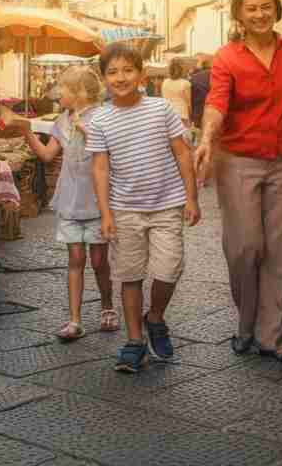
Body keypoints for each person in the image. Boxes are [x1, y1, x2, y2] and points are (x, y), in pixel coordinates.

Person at [193, 0, 282, 364]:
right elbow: (216, 102)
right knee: (245, 246)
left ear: (277, 9)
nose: (260, 14)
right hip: (239, 159)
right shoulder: (228, 57)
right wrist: (207, 138)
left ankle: (272, 336)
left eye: (266, 6)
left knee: (280, 249)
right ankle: (246, 323)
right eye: (251, 8)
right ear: (239, 14)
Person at [87, 43, 200, 373]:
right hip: (125, 210)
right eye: (112, 72)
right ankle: (135, 341)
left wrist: (191, 197)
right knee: (130, 275)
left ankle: (155, 317)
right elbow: (100, 168)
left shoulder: (161, 109)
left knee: (169, 269)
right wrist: (106, 214)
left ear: (141, 74)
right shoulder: (100, 119)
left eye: (128, 70)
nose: (120, 77)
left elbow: (182, 153)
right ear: (103, 78)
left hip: (167, 205)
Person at [22, 66, 117, 341]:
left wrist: (87, 132)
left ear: (80, 92)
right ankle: (74, 320)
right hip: (70, 199)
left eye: (62, 89)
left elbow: (112, 153)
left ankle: (107, 305)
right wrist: (27, 132)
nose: (57, 94)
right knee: (75, 258)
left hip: (97, 201)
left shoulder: (103, 117)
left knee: (99, 261)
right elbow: (47, 155)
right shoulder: (62, 120)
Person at [161, 59, 192, 125]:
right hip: (181, 114)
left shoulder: (165, 82)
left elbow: (163, 98)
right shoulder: (186, 83)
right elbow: (188, 103)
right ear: (182, 70)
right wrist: (190, 116)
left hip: (167, 113)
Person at [189, 55, 213, 129]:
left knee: (198, 132)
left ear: (202, 66)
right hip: (212, 111)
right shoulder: (216, 76)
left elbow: (191, 96)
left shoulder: (194, 78)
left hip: (197, 111)